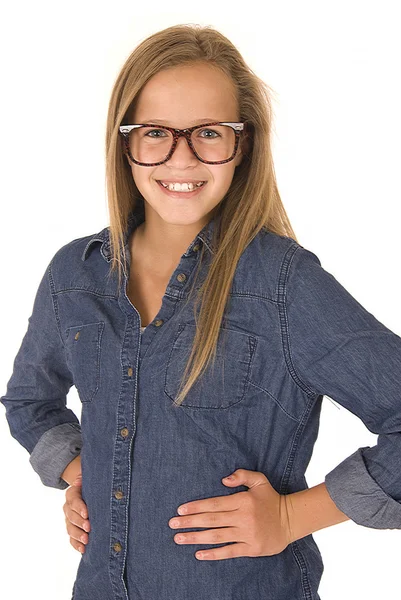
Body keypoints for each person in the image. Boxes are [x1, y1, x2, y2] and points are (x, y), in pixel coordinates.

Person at [1, 23, 400, 600]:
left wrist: (292, 517)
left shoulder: (283, 285)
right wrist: (91, 473)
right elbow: (29, 403)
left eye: (209, 132)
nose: (181, 159)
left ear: (245, 143)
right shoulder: (75, 275)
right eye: (156, 132)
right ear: (124, 142)